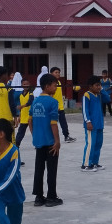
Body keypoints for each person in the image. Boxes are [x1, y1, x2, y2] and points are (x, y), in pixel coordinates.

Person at [29, 73, 62, 207]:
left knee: (39, 169)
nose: (56, 88)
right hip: (50, 142)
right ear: (47, 86)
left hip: (38, 141)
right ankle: (51, 197)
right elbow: (53, 123)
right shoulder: (53, 102)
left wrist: (34, 134)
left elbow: (30, 120)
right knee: (51, 170)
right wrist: (57, 141)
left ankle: (38, 197)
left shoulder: (35, 101)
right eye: (54, 85)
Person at [79, 76, 106, 173]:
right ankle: (86, 164)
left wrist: (102, 90)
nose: (99, 87)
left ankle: (95, 162)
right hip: (91, 125)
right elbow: (85, 110)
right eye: (97, 85)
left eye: (100, 85)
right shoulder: (87, 95)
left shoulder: (99, 95)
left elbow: (107, 99)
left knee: (98, 144)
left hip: (99, 124)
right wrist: (88, 121)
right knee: (91, 144)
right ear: (90, 86)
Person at [49, 67, 75, 142]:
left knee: (63, 123)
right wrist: (52, 106)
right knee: (52, 123)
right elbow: (50, 96)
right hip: (54, 107)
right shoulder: (51, 83)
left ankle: (66, 136)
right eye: (56, 72)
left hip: (60, 107)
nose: (58, 74)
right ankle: (49, 139)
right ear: (51, 73)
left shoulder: (59, 82)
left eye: (59, 72)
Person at [15, 76, 34, 149]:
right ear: (21, 85)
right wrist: (19, 116)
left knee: (33, 131)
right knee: (21, 132)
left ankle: (37, 143)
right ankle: (17, 144)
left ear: (29, 84)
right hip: (23, 116)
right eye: (24, 84)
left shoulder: (31, 93)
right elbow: (21, 108)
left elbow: (30, 102)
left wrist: (22, 106)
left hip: (30, 116)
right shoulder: (21, 95)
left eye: (27, 84)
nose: (25, 86)